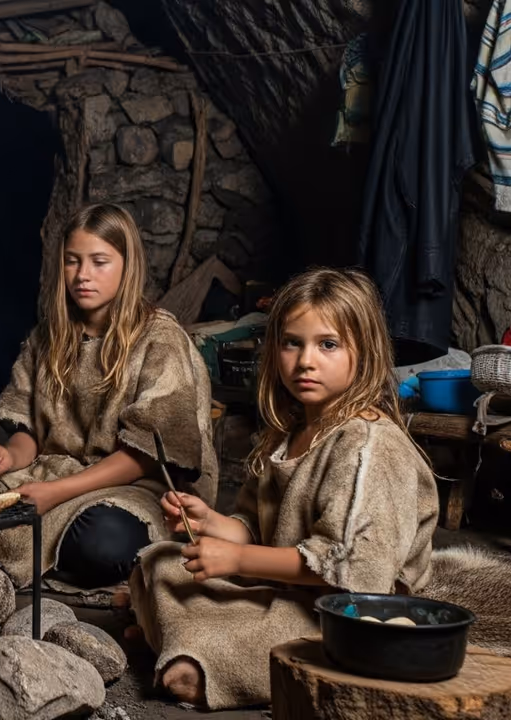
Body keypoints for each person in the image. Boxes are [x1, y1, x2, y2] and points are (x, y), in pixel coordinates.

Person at [129, 268, 440, 708]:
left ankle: (176, 640)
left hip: (347, 620)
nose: (305, 361)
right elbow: (257, 529)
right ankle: (176, 629)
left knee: (185, 678)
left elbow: (356, 572)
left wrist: (236, 559)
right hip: (284, 592)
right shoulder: (288, 431)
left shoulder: (369, 446)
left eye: (327, 345)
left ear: (364, 353)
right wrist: (212, 523)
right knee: (157, 563)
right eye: (292, 343)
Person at [0, 203, 217, 592]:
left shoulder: (159, 339)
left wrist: (55, 495)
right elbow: (27, 429)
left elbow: (143, 456)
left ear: (127, 265)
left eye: (99, 262)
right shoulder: (47, 337)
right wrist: (10, 456)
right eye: (73, 262)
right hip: (52, 474)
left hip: (130, 489)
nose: (83, 275)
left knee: (104, 541)